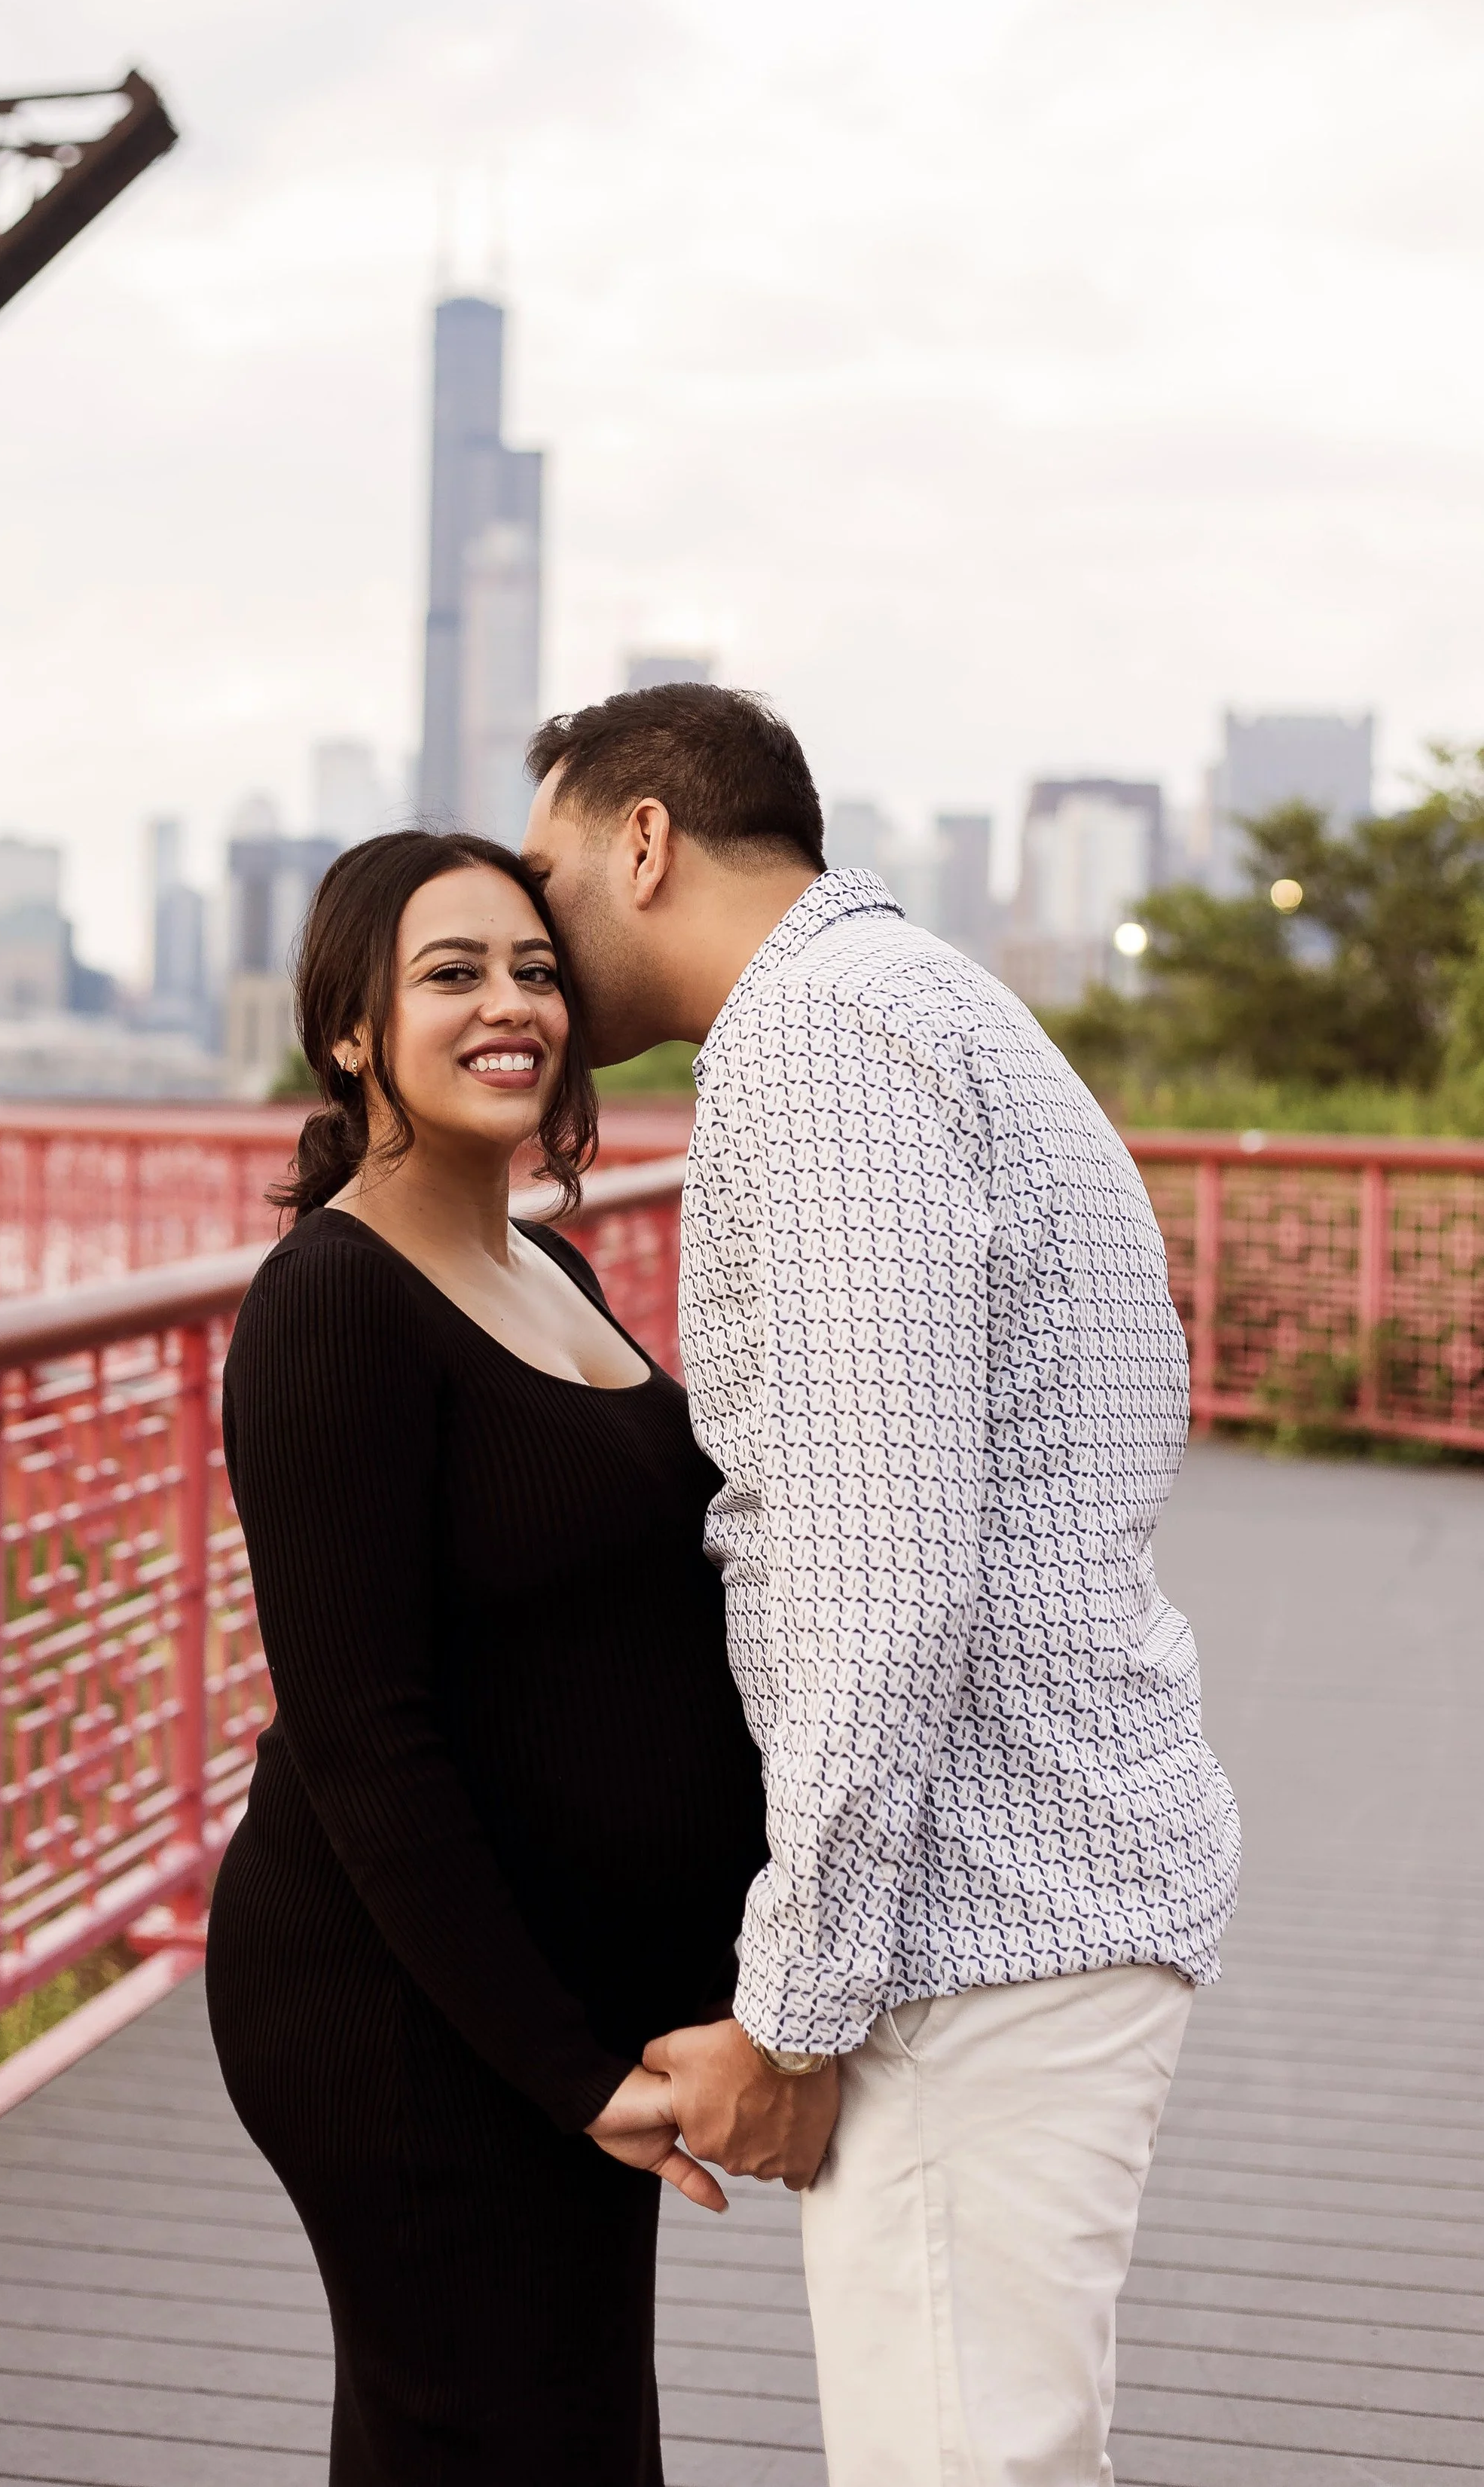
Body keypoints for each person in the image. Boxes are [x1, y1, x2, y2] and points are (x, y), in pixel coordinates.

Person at [521, 683, 1241, 2487]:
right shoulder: (922, 1001)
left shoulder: (819, 1044)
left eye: (544, 873)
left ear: (641, 841)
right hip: (1036, 1881)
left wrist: (789, 2007)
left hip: (977, 1919)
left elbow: (876, 1567)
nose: (530, 929)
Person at [206, 827, 770, 2487]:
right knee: (504, 2440)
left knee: (538, 2439)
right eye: (450, 974)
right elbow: (362, 1739)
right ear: (350, 1030)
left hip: (572, 1997)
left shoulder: (550, 1266)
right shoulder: (329, 1304)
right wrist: (565, 2069)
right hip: (410, 2019)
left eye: (533, 969)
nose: (509, 1004)